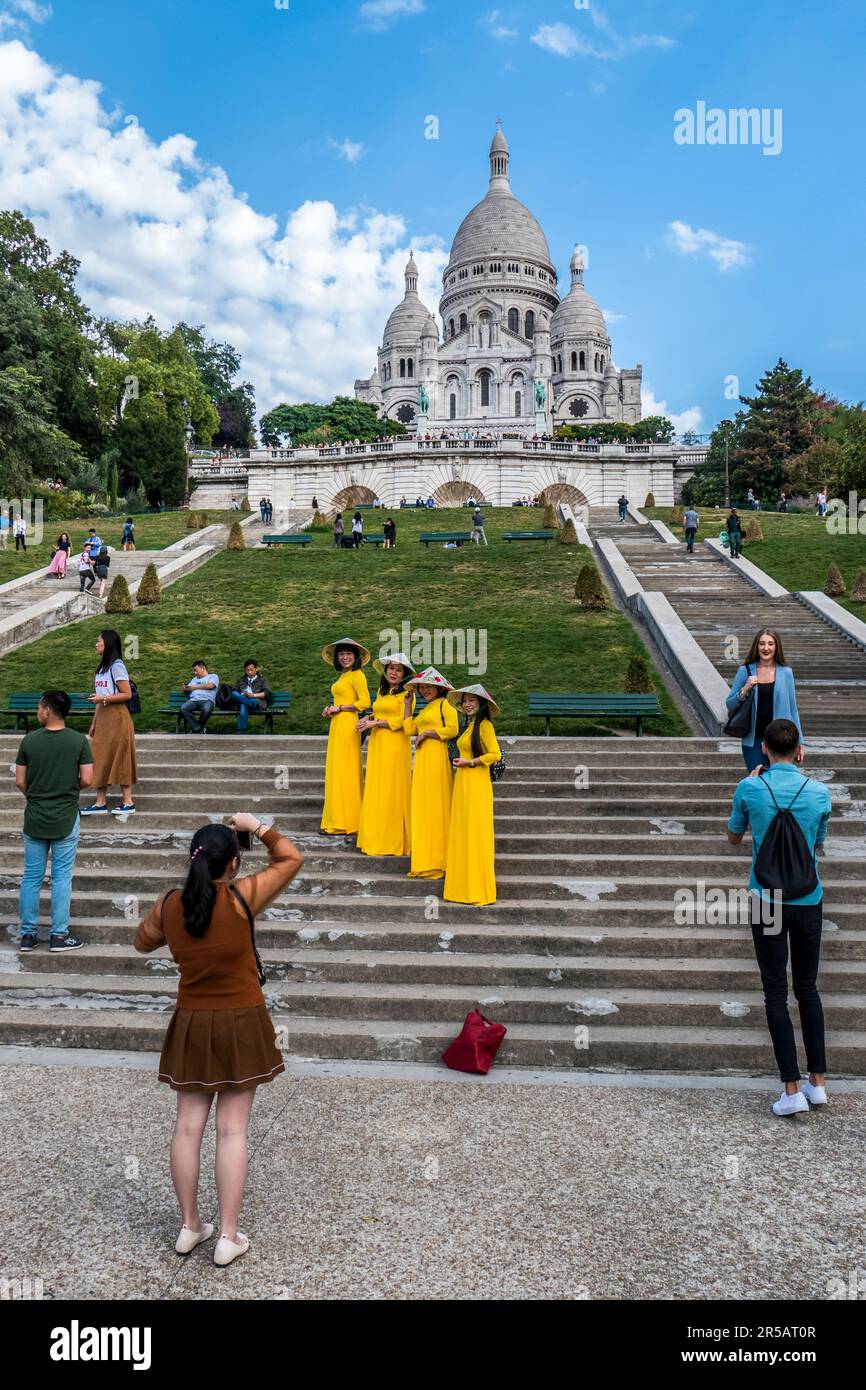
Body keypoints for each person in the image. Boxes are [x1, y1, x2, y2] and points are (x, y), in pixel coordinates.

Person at [134, 815, 304, 1266]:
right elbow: (291, 858)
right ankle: (228, 1235)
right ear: (234, 862)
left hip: (192, 1021)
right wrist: (259, 825)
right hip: (240, 1020)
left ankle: (190, 1226)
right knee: (232, 1130)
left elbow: (141, 941)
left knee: (187, 1127)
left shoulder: (171, 903)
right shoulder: (243, 896)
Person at [726, 718, 831, 1116]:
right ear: (799, 750)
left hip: (767, 899)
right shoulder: (819, 792)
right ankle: (817, 1083)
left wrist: (754, 786)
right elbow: (818, 844)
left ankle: (791, 1090)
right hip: (808, 899)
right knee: (808, 988)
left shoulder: (750, 786)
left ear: (765, 749)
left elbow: (734, 836)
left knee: (775, 990)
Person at [15, 690, 93, 952]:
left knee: (32, 877)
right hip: (66, 816)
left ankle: (27, 935)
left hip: (36, 816)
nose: (38, 712)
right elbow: (88, 779)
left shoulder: (29, 741)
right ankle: (59, 935)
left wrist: (37, 796)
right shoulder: (78, 741)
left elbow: (20, 781)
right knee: (61, 878)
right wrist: (68, 791)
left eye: (39, 708)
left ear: (47, 710)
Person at [443, 684, 501, 906]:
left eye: (472, 701)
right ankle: (462, 888)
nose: (467, 704)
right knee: (464, 832)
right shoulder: (470, 727)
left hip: (476, 782)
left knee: (475, 833)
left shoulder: (485, 725)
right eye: (465, 701)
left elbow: (494, 754)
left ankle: (478, 890)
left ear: (481, 704)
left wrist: (471, 761)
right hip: (463, 782)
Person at [402, 667, 459, 879]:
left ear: (439, 687)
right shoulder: (425, 710)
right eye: (422, 687)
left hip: (437, 759)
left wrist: (427, 733)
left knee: (436, 806)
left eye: (429, 686)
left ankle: (440, 861)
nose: (425, 690)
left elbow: (453, 729)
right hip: (423, 761)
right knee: (423, 807)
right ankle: (425, 860)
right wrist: (408, 706)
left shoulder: (446, 704)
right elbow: (409, 730)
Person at [356, 654, 415, 856]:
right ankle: (376, 837)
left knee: (392, 788)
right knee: (378, 787)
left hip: (395, 744)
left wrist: (377, 723)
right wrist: (368, 718)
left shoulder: (407, 694)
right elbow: (379, 711)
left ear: (404, 674)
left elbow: (402, 721)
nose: (394, 672)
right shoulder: (383, 691)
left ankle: (392, 840)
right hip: (378, 743)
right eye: (391, 668)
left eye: (399, 670)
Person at [726, 629, 803, 773]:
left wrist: (799, 743)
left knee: (779, 784)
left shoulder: (786, 673)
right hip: (753, 741)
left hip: (781, 741)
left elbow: (793, 709)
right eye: (762, 644)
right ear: (757, 646)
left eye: (770, 644)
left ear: (776, 647)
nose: (766, 648)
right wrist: (745, 688)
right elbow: (729, 704)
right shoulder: (745, 671)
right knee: (759, 781)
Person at [82, 629, 137, 815]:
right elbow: (100, 697)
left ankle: (128, 801)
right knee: (99, 757)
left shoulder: (117, 666)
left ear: (108, 644)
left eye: (99, 641)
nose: (96, 644)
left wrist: (103, 700)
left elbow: (126, 694)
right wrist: (94, 722)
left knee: (121, 756)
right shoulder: (101, 668)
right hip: (103, 717)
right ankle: (100, 802)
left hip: (118, 717)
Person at [320, 637, 371, 835]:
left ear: (356, 656)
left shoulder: (358, 675)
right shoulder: (343, 676)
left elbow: (365, 702)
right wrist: (330, 709)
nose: (345, 657)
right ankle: (336, 819)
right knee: (336, 769)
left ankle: (347, 821)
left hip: (348, 724)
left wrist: (339, 707)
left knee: (345, 769)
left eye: (349, 653)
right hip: (337, 724)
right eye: (341, 654)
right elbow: (341, 700)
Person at [230, 660, 271, 733]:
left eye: (251, 670)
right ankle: (247, 702)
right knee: (234, 695)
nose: (249, 672)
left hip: (256, 701)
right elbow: (234, 691)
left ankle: (240, 731)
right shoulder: (241, 679)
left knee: (244, 704)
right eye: (247, 670)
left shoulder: (262, 679)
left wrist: (254, 695)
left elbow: (266, 693)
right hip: (244, 700)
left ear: (256, 669)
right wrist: (242, 695)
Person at [181, 660, 219, 734]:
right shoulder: (194, 679)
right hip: (193, 700)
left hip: (207, 700)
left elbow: (210, 685)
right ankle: (199, 729)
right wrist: (185, 688)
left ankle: (196, 730)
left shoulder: (213, 676)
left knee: (206, 709)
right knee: (183, 709)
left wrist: (194, 687)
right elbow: (189, 688)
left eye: (196, 670)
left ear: (202, 668)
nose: (195, 673)